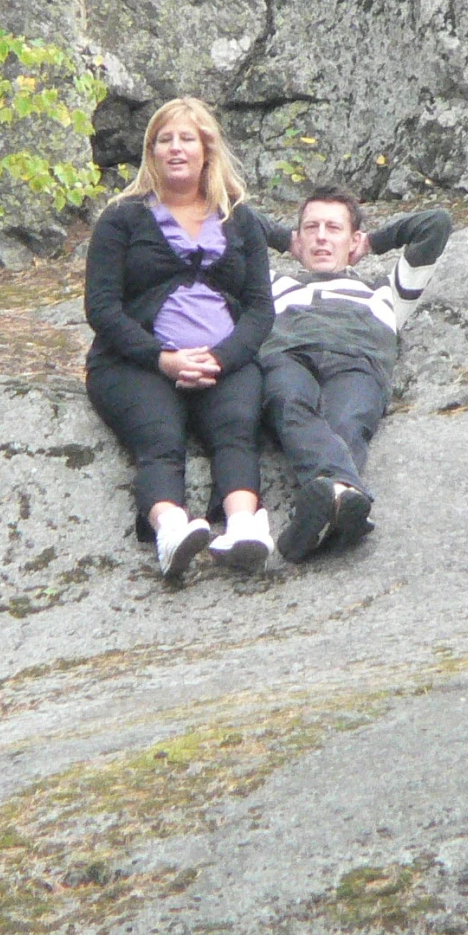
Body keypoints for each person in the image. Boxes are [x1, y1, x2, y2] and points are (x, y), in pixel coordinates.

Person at [84, 98, 278, 579]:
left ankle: (242, 526)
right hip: (134, 364)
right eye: (165, 139)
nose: (176, 149)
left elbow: (260, 308)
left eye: (187, 138)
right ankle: (172, 530)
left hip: (224, 362)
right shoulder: (121, 219)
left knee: (236, 428)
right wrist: (163, 359)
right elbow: (102, 308)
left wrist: (222, 357)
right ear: (151, 151)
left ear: (207, 149)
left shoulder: (241, 219)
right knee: (160, 435)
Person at [253, 185, 453, 562]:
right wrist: (285, 240)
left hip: (357, 362)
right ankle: (345, 495)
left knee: (347, 420)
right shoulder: (272, 284)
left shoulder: (387, 292)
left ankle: (325, 506)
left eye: (334, 228)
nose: (322, 237)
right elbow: (233, 221)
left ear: (353, 239)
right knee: (286, 401)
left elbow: (436, 224)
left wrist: (374, 243)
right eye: (311, 228)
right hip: (288, 356)